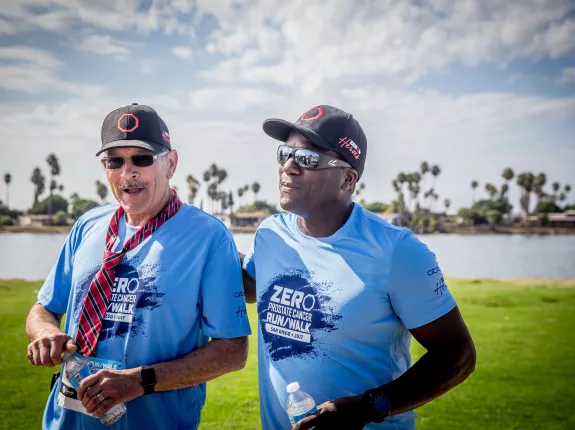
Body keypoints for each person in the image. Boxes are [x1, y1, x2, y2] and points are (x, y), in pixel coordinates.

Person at [241, 105, 476, 429]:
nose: (289, 168)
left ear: (347, 178)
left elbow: (458, 356)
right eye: (285, 154)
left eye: (308, 159)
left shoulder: (398, 251)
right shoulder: (270, 235)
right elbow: (248, 286)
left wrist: (368, 407)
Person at [25, 103, 251, 430]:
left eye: (142, 159)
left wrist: (137, 381)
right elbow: (44, 308)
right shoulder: (88, 224)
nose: (128, 172)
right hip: (65, 420)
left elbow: (232, 351)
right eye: (115, 161)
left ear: (170, 163)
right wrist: (46, 332)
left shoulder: (208, 238)